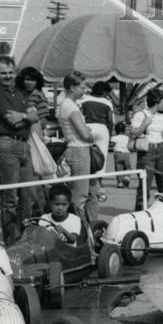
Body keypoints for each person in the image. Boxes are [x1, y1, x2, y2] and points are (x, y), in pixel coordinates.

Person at [0, 56, 41, 245]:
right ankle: (11, 242)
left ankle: (23, 238)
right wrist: (27, 116)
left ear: (15, 72)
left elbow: (35, 117)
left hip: (23, 144)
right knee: (10, 198)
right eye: (3, 73)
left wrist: (24, 115)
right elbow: (13, 121)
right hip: (5, 144)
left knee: (27, 196)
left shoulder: (18, 94)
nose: (7, 76)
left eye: (10, 73)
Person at [55, 71, 98, 225]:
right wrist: (91, 133)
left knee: (86, 192)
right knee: (80, 197)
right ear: (72, 87)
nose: (84, 90)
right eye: (82, 87)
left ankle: (85, 228)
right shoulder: (70, 107)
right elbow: (85, 134)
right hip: (79, 150)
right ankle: (80, 231)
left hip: (74, 148)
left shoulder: (66, 105)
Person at [128, 88, 163, 208]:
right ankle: (141, 212)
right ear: (157, 101)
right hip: (147, 151)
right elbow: (133, 133)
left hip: (161, 150)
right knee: (144, 185)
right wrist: (144, 124)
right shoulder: (140, 115)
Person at [81, 81, 115, 180]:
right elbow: (110, 121)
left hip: (88, 127)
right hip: (102, 128)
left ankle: (86, 178)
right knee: (102, 156)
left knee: (86, 154)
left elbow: (81, 115)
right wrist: (110, 135)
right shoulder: (107, 102)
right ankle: (98, 182)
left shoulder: (85, 99)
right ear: (104, 92)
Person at [110, 122, 132, 187]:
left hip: (118, 154)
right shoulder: (127, 138)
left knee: (119, 168)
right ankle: (127, 177)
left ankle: (120, 182)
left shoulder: (114, 138)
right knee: (128, 167)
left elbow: (112, 145)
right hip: (126, 154)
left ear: (116, 130)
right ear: (124, 130)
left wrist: (110, 143)